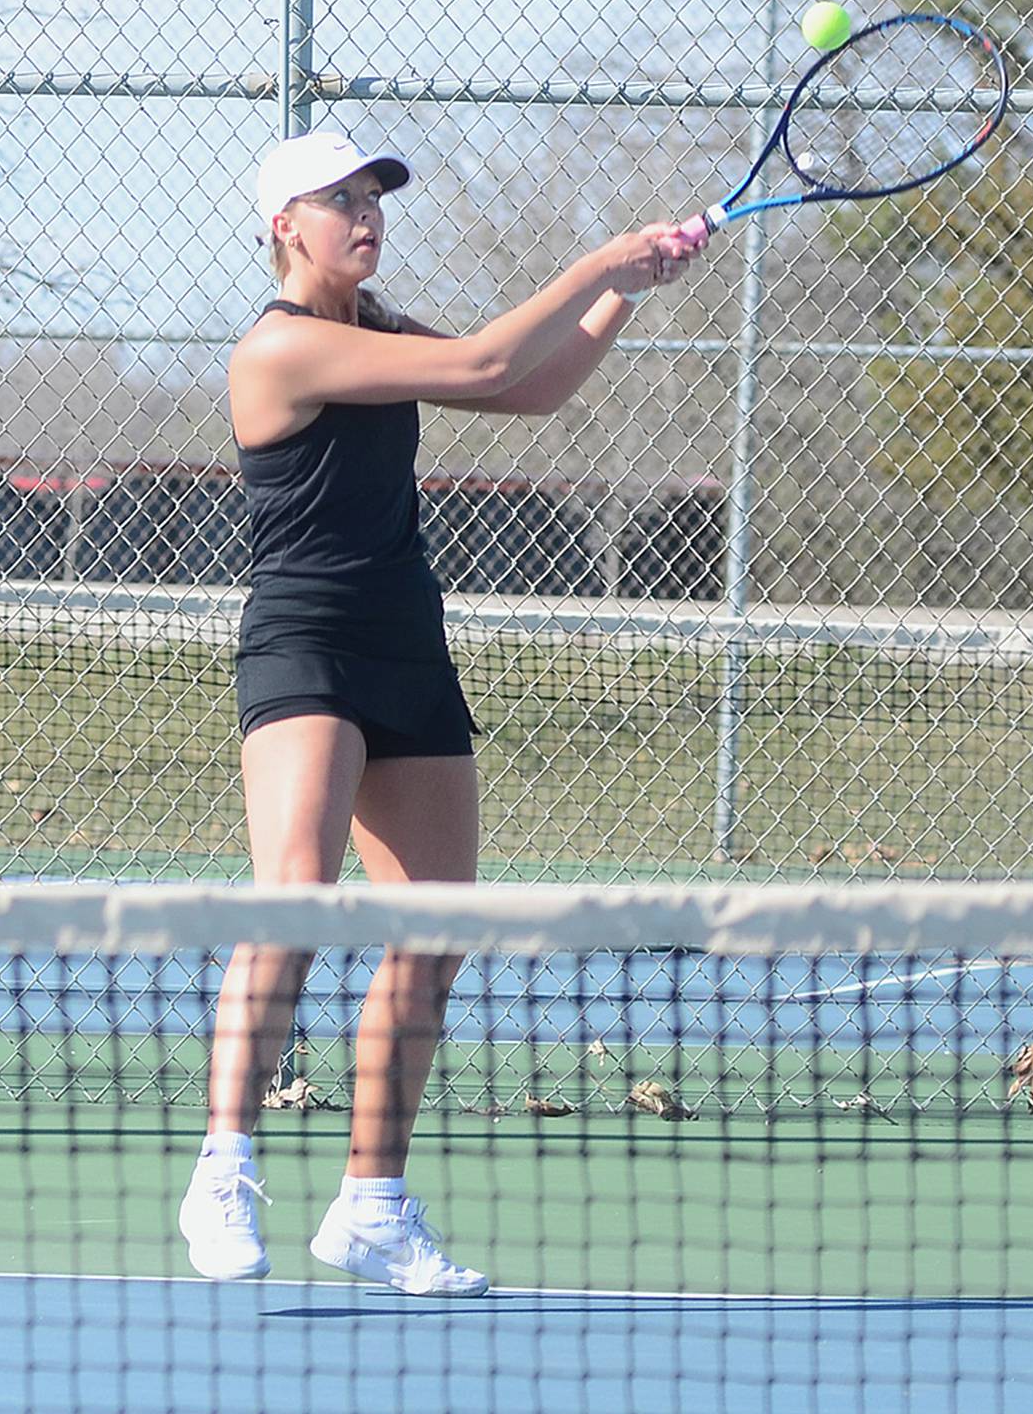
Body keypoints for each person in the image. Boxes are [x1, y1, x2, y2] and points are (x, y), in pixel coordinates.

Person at [177, 130, 702, 1295]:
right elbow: (474, 367)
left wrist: (622, 294)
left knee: (432, 931)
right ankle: (223, 1167)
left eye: (375, 195)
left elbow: (529, 389)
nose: (367, 212)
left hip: (408, 645)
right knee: (296, 899)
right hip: (304, 646)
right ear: (284, 226)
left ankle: (372, 1204)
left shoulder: (380, 327)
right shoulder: (278, 348)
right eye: (339, 199)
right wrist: (593, 260)